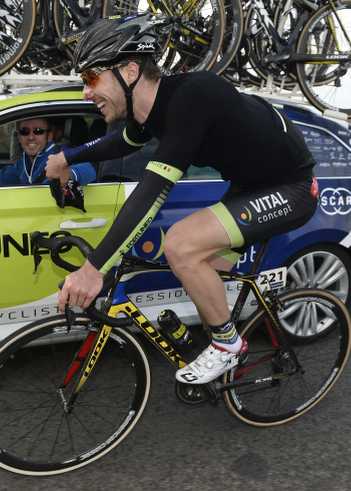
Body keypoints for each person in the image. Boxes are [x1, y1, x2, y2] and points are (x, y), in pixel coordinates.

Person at [44, 15, 319, 385]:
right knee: (201, 272)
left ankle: (227, 347)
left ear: (128, 71)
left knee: (180, 245)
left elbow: (151, 191)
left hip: (292, 186)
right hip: (250, 183)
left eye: (92, 78)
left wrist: (94, 269)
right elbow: (123, 142)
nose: (86, 93)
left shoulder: (192, 97)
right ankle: (221, 346)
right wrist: (66, 158)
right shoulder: (153, 111)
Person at [0, 117, 96, 185]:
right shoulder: (21, 166)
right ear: (19, 137)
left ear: (49, 135)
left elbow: (89, 169)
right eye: (24, 131)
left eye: (38, 131)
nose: (31, 137)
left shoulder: (62, 153)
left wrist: (68, 173)